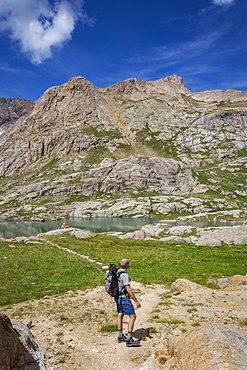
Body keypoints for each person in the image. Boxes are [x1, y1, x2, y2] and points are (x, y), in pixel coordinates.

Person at [115, 258, 142, 347]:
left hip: (117, 298)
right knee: (132, 316)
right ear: (127, 265)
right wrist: (136, 301)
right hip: (124, 298)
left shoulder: (116, 272)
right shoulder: (124, 275)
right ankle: (129, 339)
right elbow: (128, 289)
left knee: (120, 314)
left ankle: (120, 336)